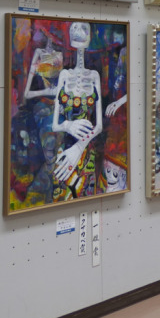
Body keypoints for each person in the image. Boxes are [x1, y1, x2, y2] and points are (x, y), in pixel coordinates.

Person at [51, 21, 104, 200]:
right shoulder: (65, 75)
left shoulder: (94, 76)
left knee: (85, 197)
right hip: (65, 149)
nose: (78, 32)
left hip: (85, 150)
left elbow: (99, 126)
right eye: (74, 28)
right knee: (62, 196)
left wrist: (79, 147)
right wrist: (68, 125)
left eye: (83, 29)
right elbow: (55, 125)